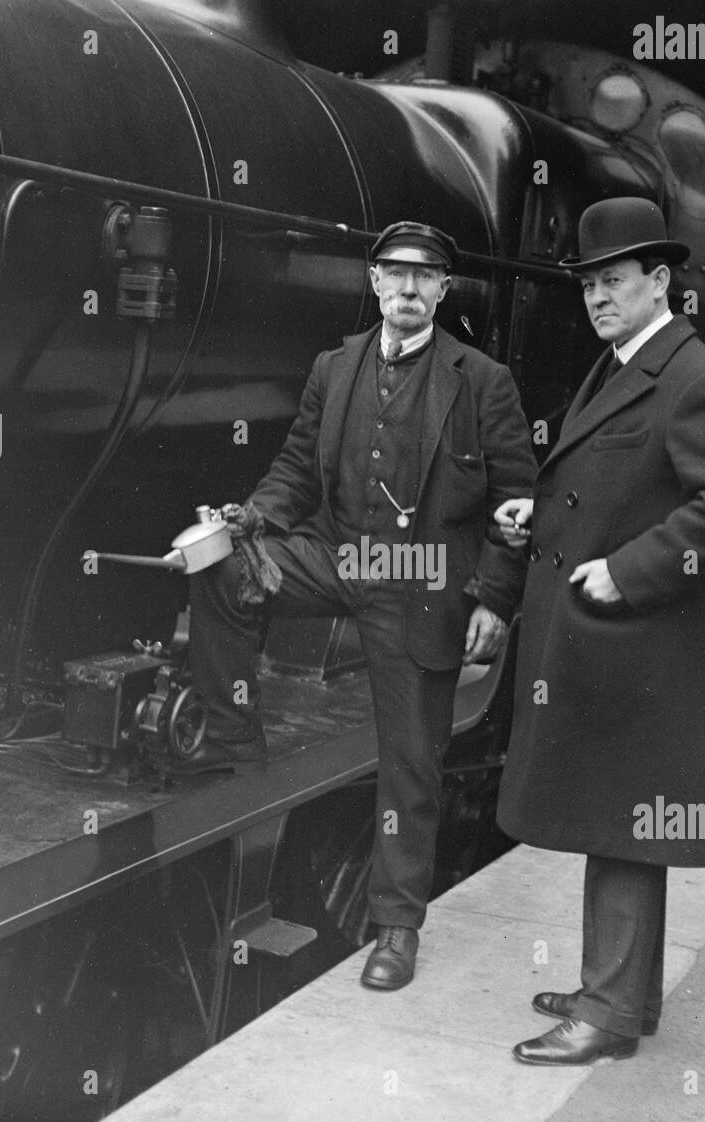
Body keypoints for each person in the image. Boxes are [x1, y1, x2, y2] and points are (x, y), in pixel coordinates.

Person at [180, 221, 536, 990]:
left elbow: (518, 503)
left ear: (444, 289)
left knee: (410, 763)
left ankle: (397, 930)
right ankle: (236, 754)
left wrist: (494, 600)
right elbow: (294, 474)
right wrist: (246, 521)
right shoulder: (333, 367)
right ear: (373, 282)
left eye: (426, 276)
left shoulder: (483, 380)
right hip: (340, 559)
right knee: (222, 572)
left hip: (424, 583)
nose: (408, 289)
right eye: (395, 274)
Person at [494, 197, 705, 1064]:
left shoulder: (695, 376)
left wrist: (627, 571)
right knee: (620, 820)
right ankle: (620, 996)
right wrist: (534, 519)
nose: (598, 298)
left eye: (615, 281)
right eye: (589, 285)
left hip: (642, 643)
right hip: (615, 647)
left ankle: (606, 1015)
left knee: (623, 825)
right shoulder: (622, 365)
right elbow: (613, 490)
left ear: (661, 282)